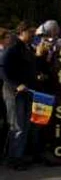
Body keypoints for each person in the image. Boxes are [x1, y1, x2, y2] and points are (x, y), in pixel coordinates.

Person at [0, 22, 37, 170]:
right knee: (17, 126)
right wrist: (17, 85)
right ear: (22, 32)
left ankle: (19, 156)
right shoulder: (13, 49)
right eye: (30, 32)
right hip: (14, 93)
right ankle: (13, 158)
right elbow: (3, 71)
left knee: (25, 126)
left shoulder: (27, 49)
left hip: (27, 92)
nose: (33, 35)